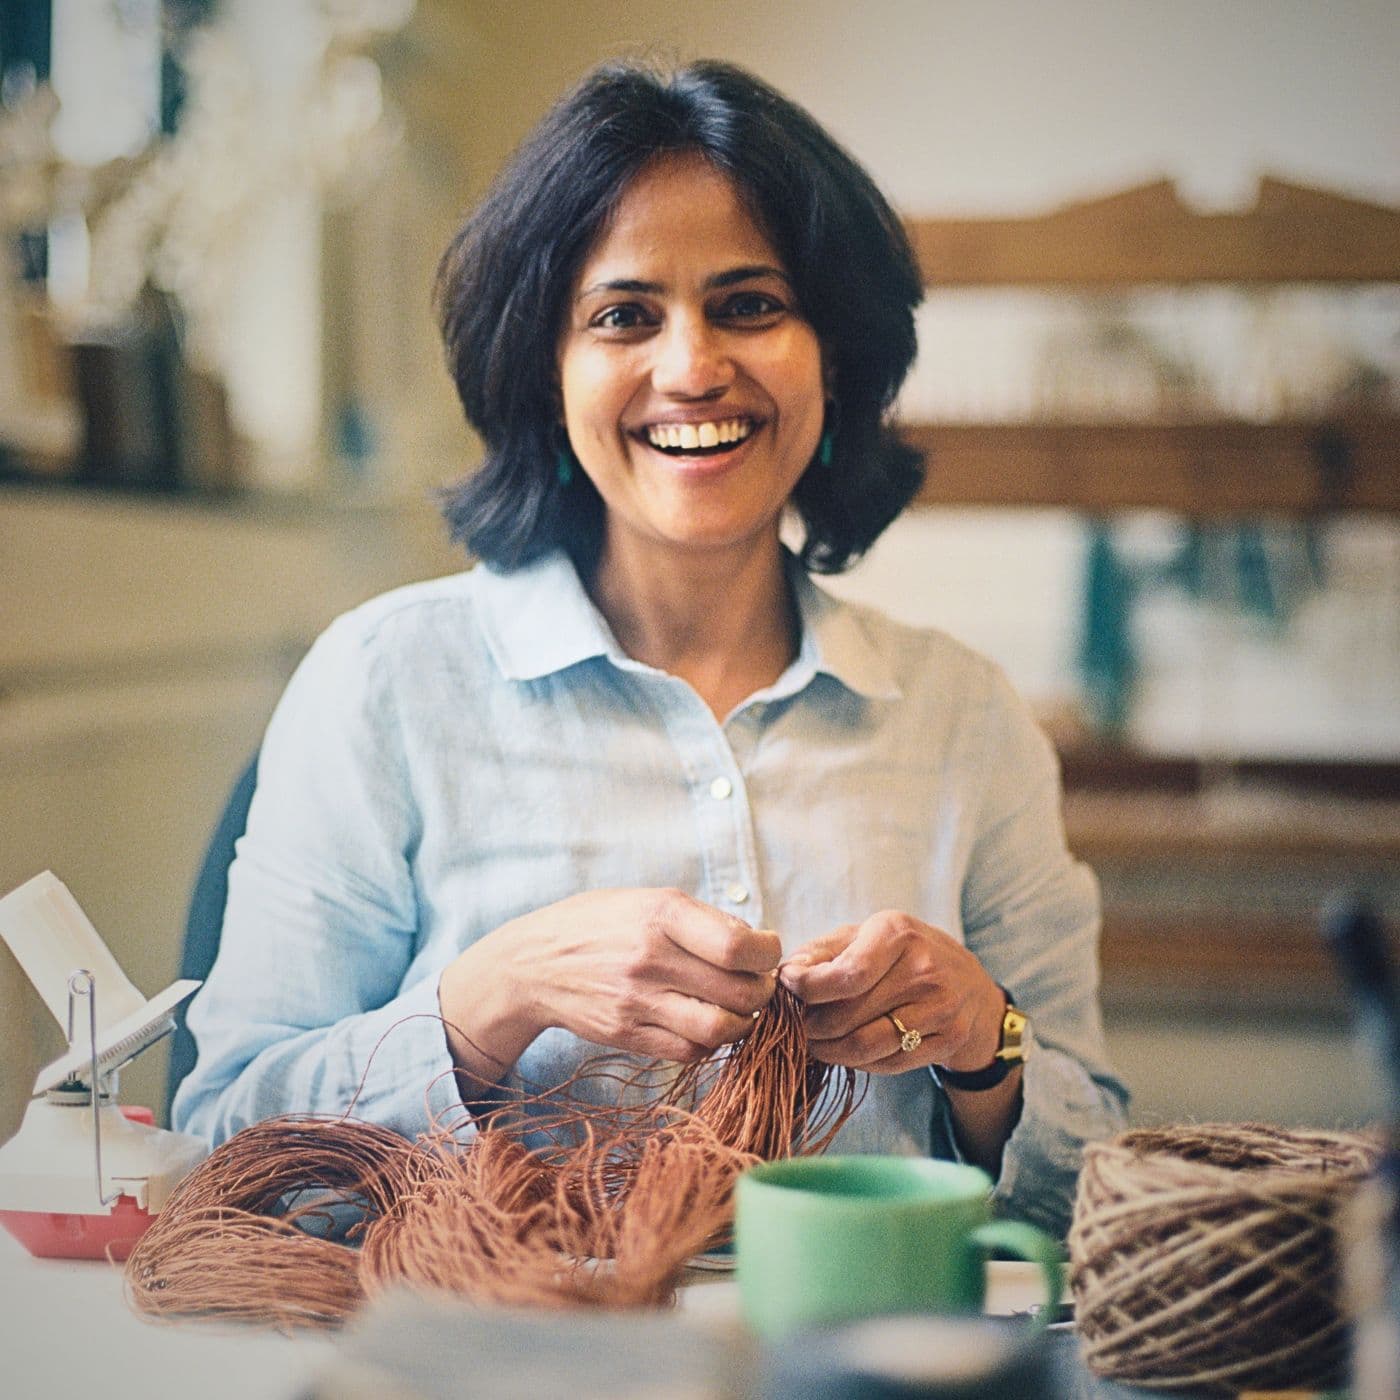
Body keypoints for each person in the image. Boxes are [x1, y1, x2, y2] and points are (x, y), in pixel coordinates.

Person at [174, 58, 1127, 1237]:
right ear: (547, 370)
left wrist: (985, 1041)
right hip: (493, 1334)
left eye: (749, 304)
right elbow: (222, 1145)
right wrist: (491, 997)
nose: (691, 369)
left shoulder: (964, 715)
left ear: (835, 352)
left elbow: (1099, 1181)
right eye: (624, 316)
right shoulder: (382, 682)